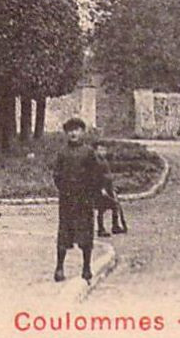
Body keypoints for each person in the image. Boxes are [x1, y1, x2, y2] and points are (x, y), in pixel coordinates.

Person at [53, 118, 107, 282]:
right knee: (64, 233)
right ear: (66, 133)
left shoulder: (89, 152)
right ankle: (59, 267)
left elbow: (97, 174)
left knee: (86, 233)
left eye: (77, 130)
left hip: (84, 200)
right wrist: (63, 188)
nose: (73, 133)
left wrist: (92, 192)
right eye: (70, 131)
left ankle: (86, 267)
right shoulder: (62, 153)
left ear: (83, 132)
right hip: (67, 200)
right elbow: (57, 174)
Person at [92, 142, 128, 238]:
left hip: (108, 187)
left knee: (115, 206)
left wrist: (112, 187)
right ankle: (101, 229)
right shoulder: (96, 163)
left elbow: (108, 176)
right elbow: (96, 177)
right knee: (101, 209)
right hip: (100, 189)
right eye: (100, 150)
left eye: (104, 150)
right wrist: (101, 189)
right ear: (96, 151)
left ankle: (115, 226)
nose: (103, 152)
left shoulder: (104, 161)